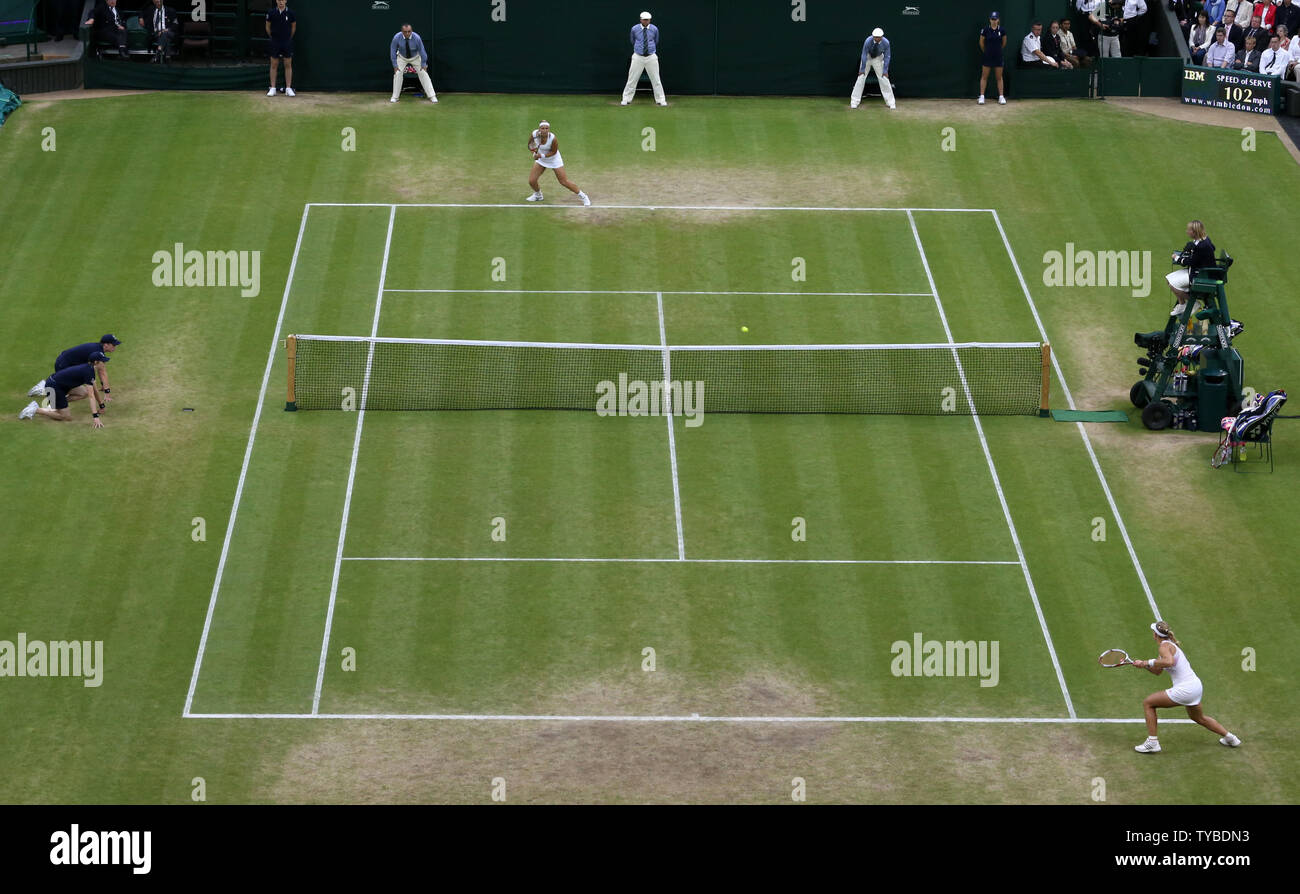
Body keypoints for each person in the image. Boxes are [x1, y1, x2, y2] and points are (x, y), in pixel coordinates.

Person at [1131, 621, 1241, 753]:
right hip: (1196, 686)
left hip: (1186, 689)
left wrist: (1146, 662)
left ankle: (1152, 742)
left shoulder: (1164, 647)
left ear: (1155, 635)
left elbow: (1169, 662)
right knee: (1198, 718)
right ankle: (1230, 738)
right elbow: (1157, 671)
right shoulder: (1169, 646)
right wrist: (1143, 665)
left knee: (1148, 703)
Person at [20, 353, 109, 428]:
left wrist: (101, 405)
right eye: (103, 361)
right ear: (96, 362)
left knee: (84, 393)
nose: (104, 364)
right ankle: (35, 409)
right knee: (66, 417)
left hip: (60, 385)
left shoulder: (90, 369)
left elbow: (93, 390)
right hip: (53, 387)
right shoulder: (88, 372)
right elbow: (91, 396)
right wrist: (95, 416)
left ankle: (57, 404)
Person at [524, 121, 590, 205]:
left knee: (563, 182)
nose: (544, 130)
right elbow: (530, 144)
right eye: (542, 128)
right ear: (539, 129)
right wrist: (534, 153)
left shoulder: (552, 138)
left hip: (554, 160)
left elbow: (554, 152)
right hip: (541, 159)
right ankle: (538, 195)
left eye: (546, 128)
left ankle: (583, 196)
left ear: (549, 129)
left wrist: (541, 155)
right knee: (532, 181)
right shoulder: (534, 134)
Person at [41, 334, 121, 405]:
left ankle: (54, 400)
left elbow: (101, 371)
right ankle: (45, 392)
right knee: (79, 391)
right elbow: (102, 372)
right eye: (113, 345)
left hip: (63, 362)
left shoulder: (98, 350)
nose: (115, 347)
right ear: (105, 345)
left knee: (78, 390)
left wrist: (104, 386)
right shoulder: (98, 352)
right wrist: (107, 393)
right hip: (63, 365)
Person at [1166, 219, 1215, 316]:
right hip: (1195, 271)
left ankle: (1194, 304)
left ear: (1194, 232)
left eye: (1189, 230)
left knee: (1172, 285)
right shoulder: (1202, 240)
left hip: (1199, 275)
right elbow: (1209, 250)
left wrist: (1178, 258)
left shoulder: (1201, 246)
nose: (1187, 231)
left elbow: (1190, 262)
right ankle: (1182, 304)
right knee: (1168, 279)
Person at [621, 11, 666, 106]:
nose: (646, 21)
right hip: (638, 57)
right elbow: (632, 40)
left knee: (656, 79)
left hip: (651, 57)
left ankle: (660, 100)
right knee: (632, 79)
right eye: (645, 20)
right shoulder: (634, 29)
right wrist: (639, 49)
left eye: (648, 20)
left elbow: (656, 40)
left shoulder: (654, 29)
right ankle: (626, 99)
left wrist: (649, 49)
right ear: (641, 19)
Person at [389, 23, 437, 104]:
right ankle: (395, 97)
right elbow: (392, 50)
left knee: (423, 73)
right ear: (402, 31)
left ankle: (432, 96)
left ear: (411, 31)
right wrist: (395, 65)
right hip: (402, 57)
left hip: (416, 57)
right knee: (397, 74)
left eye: (409, 31)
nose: (407, 33)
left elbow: (422, 50)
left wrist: (424, 63)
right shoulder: (397, 37)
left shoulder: (417, 38)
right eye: (405, 32)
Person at [850, 27, 895, 109]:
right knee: (861, 78)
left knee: (884, 78)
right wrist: (862, 69)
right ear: (872, 36)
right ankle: (854, 101)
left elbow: (887, 56)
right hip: (867, 58)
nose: (876, 38)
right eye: (875, 37)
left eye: (878, 37)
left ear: (882, 36)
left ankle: (890, 102)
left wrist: (885, 70)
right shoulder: (868, 41)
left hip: (878, 58)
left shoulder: (886, 43)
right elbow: (863, 54)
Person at [266, 0, 297, 96]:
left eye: (283, 0)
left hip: (287, 42)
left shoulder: (291, 13)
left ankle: (288, 88)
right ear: (276, 1)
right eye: (279, 0)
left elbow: (293, 28)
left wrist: (287, 38)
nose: (281, 2)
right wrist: (273, 38)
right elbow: (267, 27)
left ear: (286, 1)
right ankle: (273, 88)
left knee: (288, 64)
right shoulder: (271, 13)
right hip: (275, 41)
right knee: (274, 64)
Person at [977, 11, 1007, 105]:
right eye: (992, 19)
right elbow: (981, 43)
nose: (994, 21)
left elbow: (1004, 43)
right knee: (984, 77)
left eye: (995, 19)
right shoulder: (985, 30)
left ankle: (1001, 97)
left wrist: (997, 50)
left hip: (998, 57)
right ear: (989, 20)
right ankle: (982, 96)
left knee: (999, 77)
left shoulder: (1002, 30)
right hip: (987, 57)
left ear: (998, 20)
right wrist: (986, 51)